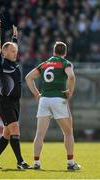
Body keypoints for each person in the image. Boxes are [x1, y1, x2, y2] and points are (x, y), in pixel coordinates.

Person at [25, 41, 81, 170]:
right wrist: (70, 92)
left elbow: (28, 77)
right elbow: (71, 76)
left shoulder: (44, 64)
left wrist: (37, 94)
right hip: (58, 99)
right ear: (65, 53)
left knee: (39, 134)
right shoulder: (65, 63)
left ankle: (36, 163)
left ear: (53, 52)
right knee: (68, 132)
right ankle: (71, 163)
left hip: (44, 99)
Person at [0, 18, 30, 170]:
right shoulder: (1, 64)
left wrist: (14, 38)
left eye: (16, 51)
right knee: (15, 130)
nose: (15, 53)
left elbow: (13, 47)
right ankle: (20, 162)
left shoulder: (13, 63)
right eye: (12, 51)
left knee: (7, 134)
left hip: (15, 103)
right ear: (5, 53)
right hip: (5, 103)